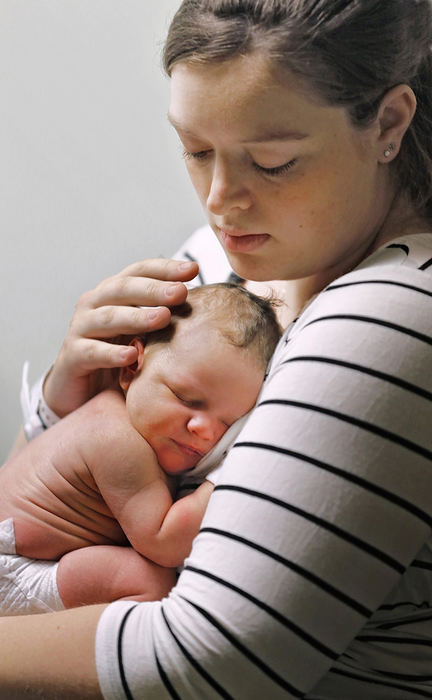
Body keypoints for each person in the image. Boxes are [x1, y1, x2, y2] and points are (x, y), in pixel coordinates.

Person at [1, 0, 432, 698]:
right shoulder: (221, 265)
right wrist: (68, 395)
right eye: (197, 151)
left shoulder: (393, 310)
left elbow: (205, 661)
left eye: (273, 162)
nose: (222, 202)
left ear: (388, 123)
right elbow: (26, 525)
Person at [0, 283, 280, 614]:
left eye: (228, 423)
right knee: (150, 581)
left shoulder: (133, 425)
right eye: (185, 398)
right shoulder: (117, 439)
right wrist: (238, 466)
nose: (204, 430)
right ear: (132, 366)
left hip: (31, 553)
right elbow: (165, 541)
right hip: (13, 565)